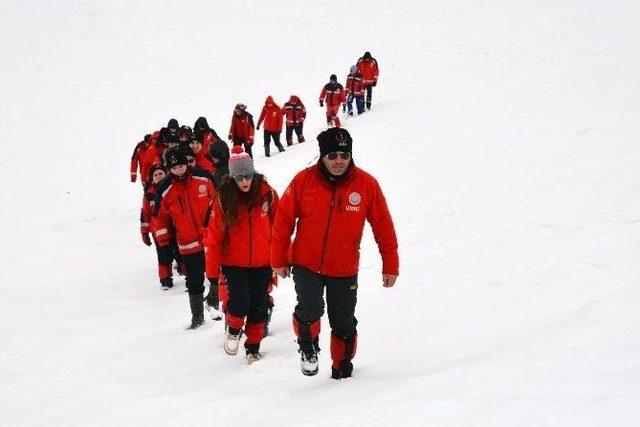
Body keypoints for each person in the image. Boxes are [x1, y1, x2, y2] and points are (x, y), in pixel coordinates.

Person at [271, 127, 399, 379]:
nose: (338, 161)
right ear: (322, 156)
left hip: (344, 267)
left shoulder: (366, 185)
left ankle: (342, 368)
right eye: (332, 156)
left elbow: (384, 227)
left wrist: (390, 265)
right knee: (310, 310)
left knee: (343, 321)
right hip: (306, 264)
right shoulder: (302, 181)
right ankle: (308, 347)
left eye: (344, 155)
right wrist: (278, 259)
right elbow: (282, 222)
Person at [204, 146, 279, 362]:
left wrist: (284, 257)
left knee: (258, 307)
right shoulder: (223, 200)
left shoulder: (267, 193)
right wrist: (211, 274)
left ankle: (253, 347)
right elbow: (214, 239)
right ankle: (234, 330)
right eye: (239, 178)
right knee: (239, 302)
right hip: (234, 263)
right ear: (233, 177)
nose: (244, 182)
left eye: (247, 176)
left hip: (263, 261)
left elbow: (280, 226)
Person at [152, 149, 216, 329]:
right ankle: (198, 317)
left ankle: (215, 303)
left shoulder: (203, 177)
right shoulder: (164, 188)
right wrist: (163, 240)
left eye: (181, 165)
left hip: (212, 239)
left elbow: (219, 201)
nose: (179, 170)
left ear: (187, 164)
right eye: (174, 167)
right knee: (194, 281)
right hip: (188, 244)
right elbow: (159, 217)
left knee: (217, 275)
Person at [140, 164, 177, 290]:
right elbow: (145, 214)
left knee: (177, 252)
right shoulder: (149, 195)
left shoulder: (172, 187)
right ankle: (165, 278)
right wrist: (144, 232)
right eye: (155, 175)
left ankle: (186, 272)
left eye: (161, 173)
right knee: (163, 255)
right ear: (152, 178)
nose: (158, 176)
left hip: (174, 229)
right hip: (158, 232)